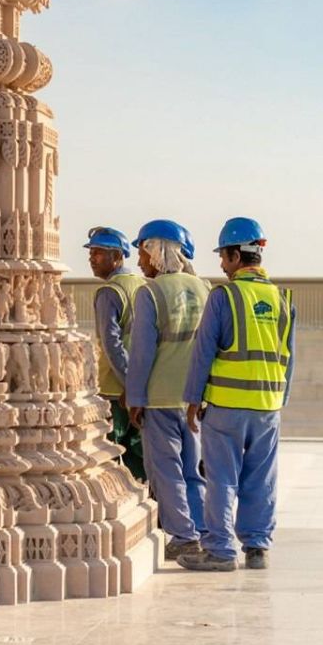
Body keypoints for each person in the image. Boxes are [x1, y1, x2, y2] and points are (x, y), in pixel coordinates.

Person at [177, 216, 296, 572]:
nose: (220, 263)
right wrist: (279, 401)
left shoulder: (224, 295)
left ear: (234, 255)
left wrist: (192, 398)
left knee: (222, 478)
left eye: (222, 256)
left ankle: (220, 550)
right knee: (261, 478)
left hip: (227, 407)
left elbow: (203, 352)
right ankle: (257, 547)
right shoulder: (281, 298)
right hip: (267, 408)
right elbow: (289, 357)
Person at [125, 219, 211, 561]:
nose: (140, 261)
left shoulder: (150, 293)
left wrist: (135, 398)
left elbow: (142, 352)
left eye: (143, 252)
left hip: (159, 398)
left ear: (159, 252)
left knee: (167, 470)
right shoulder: (205, 288)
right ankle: (202, 529)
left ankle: (183, 536)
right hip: (195, 398)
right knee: (194, 469)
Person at [84, 226, 147, 480]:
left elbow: (111, 343)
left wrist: (128, 383)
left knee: (110, 456)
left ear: (118, 257)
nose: (92, 259)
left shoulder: (109, 291)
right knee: (138, 454)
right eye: (91, 253)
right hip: (142, 386)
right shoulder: (143, 285)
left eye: (99, 253)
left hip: (114, 389)